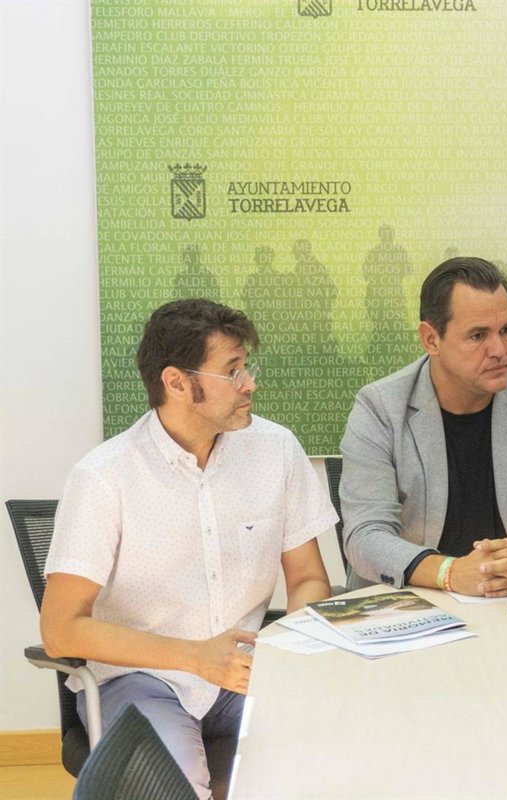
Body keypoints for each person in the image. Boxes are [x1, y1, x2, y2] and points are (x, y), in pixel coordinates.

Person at [40, 299, 337, 800]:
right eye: (232, 371)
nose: (249, 384)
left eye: (247, 367)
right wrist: (195, 658)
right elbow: (60, 629)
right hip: (141, 681)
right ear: (177, 383)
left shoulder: (277, 450)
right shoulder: (104, 477)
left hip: (246, 675)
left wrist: (295, 652)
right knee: (169, 786)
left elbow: (307, 577)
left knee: (342, 746)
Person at [339, 256, 507, 597]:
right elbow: (366, 537)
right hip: (409, 601)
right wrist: (451, 572)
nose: (499, 350)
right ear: (431, 339)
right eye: (478, 335)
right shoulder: (379, 407)